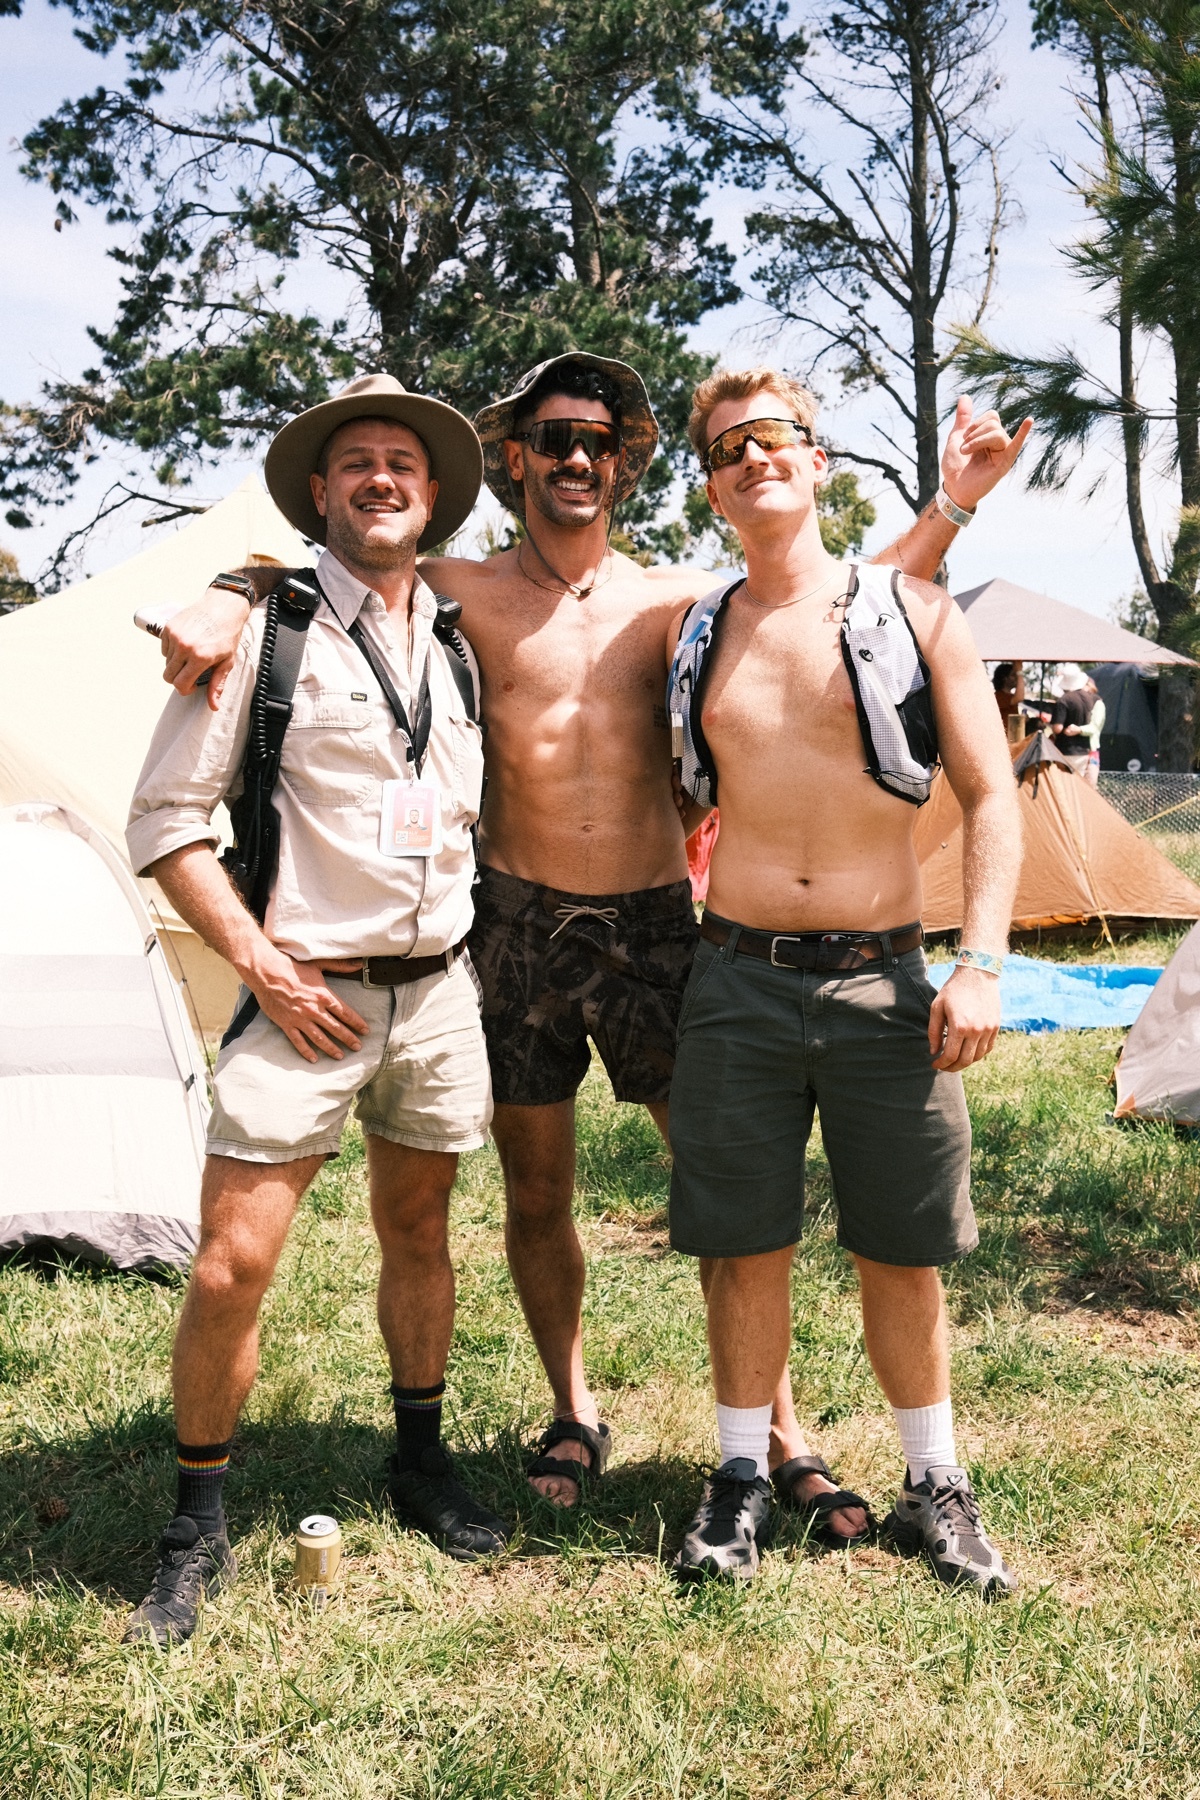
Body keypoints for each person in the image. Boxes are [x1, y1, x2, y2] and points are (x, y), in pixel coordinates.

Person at [154, 354, 1031, 1526]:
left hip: (656, 923)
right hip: (513, 924)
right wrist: (233, 586)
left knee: (725, 1192)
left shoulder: (679, 601)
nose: (576, 457)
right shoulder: (457, 588)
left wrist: (953, 507)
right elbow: (337, 565)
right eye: (554, 438)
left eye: (599, 441)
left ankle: (780, 1437)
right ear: (514, 457)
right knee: (536, 1190)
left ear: (625, 465)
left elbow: (841, 598)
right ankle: (574, 1409)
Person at [122, 374, 505, 1647]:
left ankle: (420, 1458)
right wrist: (266, 969)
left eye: (404, 461)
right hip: (305, 996)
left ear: (433, 494)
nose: (381, 477)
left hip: (437, 995)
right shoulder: (259, 633)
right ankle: (195, 1522)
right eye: (356, 462)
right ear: (321, 493)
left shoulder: (457, 641)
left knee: (420, 1231)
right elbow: (165, 824)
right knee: (231, 1263)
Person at [665, 367, 1023, 1594]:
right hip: (736, 979)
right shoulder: (696, 630)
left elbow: (992, 796)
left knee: (901, 1249)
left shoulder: (915, 610)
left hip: (888, 981)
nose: (755, 457)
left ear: (819, 462)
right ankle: (738, 1478)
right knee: (742, 1246)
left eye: (777, 437)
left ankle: (935, 1484)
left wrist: (981, 964)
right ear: (712, 488)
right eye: (730, 449)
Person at [1050, 664, 1096, 770]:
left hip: (1066, 750)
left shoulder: (1063, 700)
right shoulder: (1090, 698)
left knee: (1064, 779)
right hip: (1084, 751)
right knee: (1079, 778)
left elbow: (1057, 728)